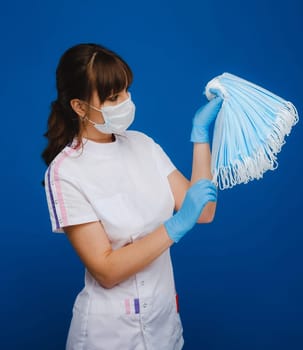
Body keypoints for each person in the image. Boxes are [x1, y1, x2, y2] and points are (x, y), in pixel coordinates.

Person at [42, 43, 222, 349]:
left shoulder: (143, 145)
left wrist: (201, 136)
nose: (125, 101)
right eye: (113, 97)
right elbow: (107, 271)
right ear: (79, 106)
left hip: (164, 328)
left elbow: (203, 211)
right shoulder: (65, 173)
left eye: (125, 91)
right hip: (109, 336)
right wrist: (176, 226)